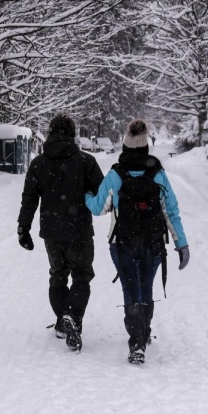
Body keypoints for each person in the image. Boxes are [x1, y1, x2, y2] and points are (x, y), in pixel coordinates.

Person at [85, 119, 190, 365]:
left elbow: (99, 208)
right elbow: (171, 212)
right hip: (153, 243)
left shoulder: (115, 174)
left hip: (122, 243)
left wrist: (87, 195)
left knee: (131, 290)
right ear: (145, 147)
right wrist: (181, 244)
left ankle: (137, 342)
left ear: (125, 145)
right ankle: (143, 332)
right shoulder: (158, 174)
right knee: (146, 287)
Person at [18, 113, 104, 352]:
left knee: (57, 275)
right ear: (73, 134)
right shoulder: (86, 162)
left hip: (52, 232)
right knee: (82, 276)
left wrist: (23, 228)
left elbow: (29, 199)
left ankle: (61, 320)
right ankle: (72, 317)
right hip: (80, 231)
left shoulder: (38, 164)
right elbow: (102, 194)